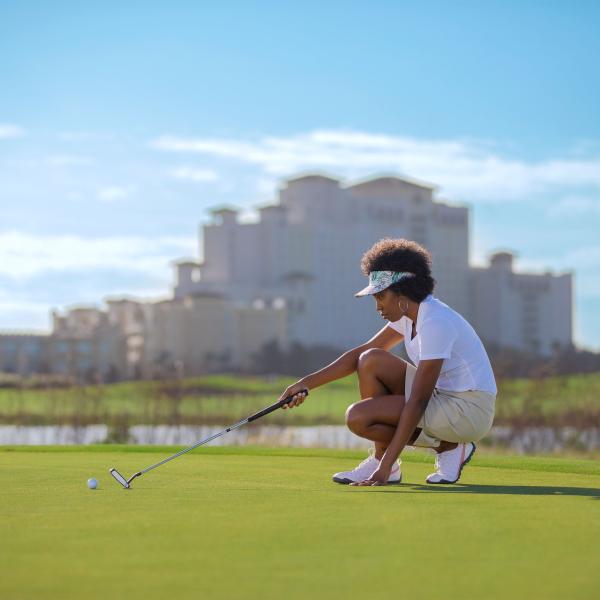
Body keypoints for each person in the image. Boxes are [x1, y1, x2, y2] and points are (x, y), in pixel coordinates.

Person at [278, 237, 497, 486]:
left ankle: (436, 450)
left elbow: (418, 400)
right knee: (370, 359)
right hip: (443, 399)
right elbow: (360, 354)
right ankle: (423, 453)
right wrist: (305, 384)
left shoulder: (436, 322)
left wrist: (382, 468)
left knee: (359, 417)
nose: (377, 306)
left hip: (469, 411)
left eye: (381, 296)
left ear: (402, 292)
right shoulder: (408, 315)